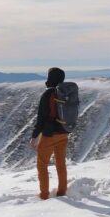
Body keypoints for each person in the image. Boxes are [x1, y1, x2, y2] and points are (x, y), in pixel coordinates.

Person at [29, 67, 69, 199]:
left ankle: (44, 195)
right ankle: (62, 192)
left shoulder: (48, 95)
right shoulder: (66, 93)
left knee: (42, 165)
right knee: (61, 164)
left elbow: (41, 118)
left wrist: (34, 136)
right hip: (64, 133)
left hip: (49, 135)